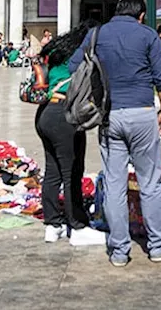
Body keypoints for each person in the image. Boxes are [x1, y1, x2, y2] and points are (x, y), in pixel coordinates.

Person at [68, 0, 161, 267]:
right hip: (142, 113)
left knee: (115, 185)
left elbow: (74, 67)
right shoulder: (147, 35)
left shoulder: (96, 34)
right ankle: (157, 245)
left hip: (109, 116)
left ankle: (119, 250)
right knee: (149, 183)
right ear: (140, 15)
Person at [34, 20, 103, 246]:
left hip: (46, 113)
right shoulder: (82, 52)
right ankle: (77, 225)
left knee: (52, 170)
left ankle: (53, 224)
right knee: (72, 171)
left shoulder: (56, 50)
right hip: (65, 114)